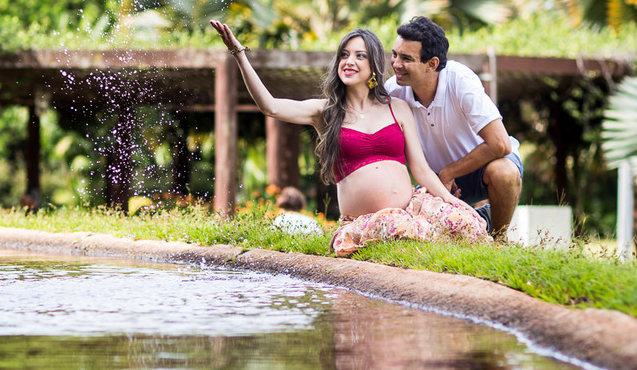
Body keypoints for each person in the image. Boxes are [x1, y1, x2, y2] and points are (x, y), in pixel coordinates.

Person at [209, 20, 490, 257]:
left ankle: (457, 226)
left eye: (359, 56)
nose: (349, 61)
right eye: (344, 55)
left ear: (373, 67)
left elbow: (421, 170)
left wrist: (452, 202)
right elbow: (270, 105)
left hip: (411, 205)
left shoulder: (397, 107)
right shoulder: (325, 112)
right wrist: (238, 53)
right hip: (365, 221)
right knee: (402, 228)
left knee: (469, 223)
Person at [386, 16, 523, 236]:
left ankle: (499, 240)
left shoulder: (461, 80)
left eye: (406, 58)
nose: (395, 64)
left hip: (482, 167)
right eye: (394, 54)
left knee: (504, 172)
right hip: (436, 178)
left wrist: (449, 173)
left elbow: (500, 144)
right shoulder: (393, 91)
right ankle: (482, 219)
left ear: (432, 64)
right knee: (422, 234)